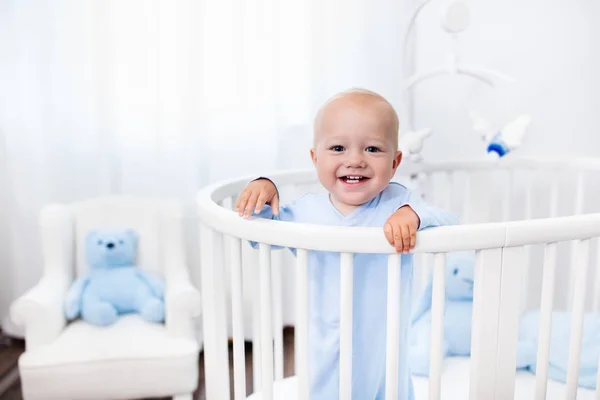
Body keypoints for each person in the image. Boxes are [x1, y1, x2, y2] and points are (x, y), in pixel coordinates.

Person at [235, 88, 459, 399]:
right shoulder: (306, 211)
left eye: (372, 149)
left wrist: (414, 215)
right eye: (338, 148)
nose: (355, 160)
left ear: (395, 163)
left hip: (383, 341)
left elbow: (450, 222)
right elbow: (262, 234)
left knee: (387, 387)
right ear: (316, 159)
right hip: (326, 339)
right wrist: (263, 189)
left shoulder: (398, 203)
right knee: (326, 387)